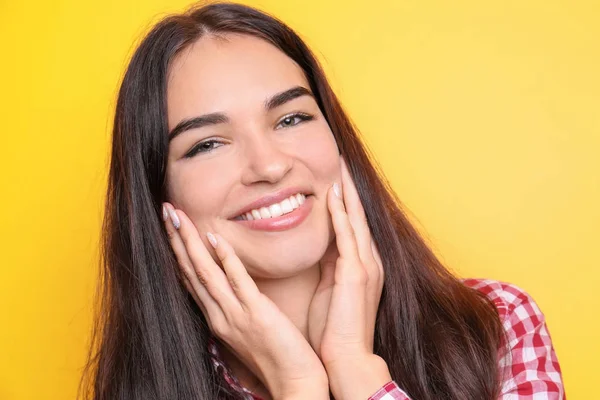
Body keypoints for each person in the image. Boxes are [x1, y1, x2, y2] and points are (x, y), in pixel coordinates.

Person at [79, 2, 565, 399]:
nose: (269, 166)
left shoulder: (497, 324)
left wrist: (356, 369)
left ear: (338, 140)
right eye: (207, 144)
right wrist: (298, 386)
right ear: (159, 197)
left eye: (291, 118)